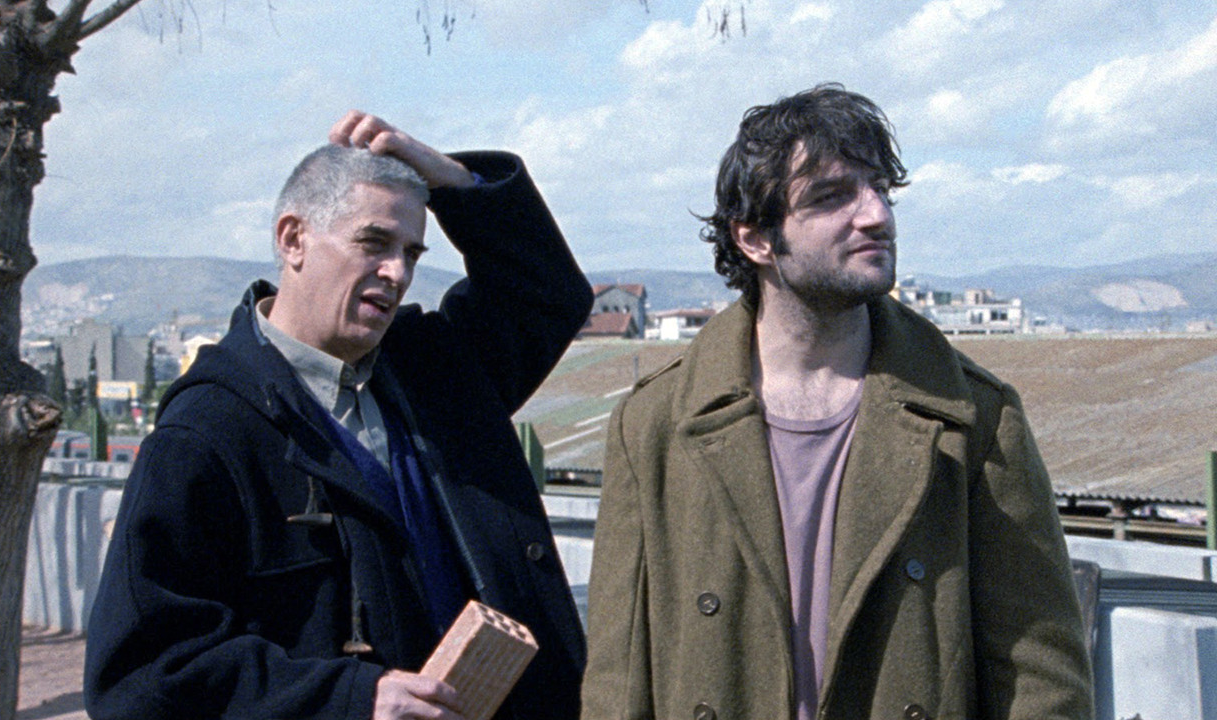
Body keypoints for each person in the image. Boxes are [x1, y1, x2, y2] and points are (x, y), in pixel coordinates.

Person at [581, 84, 1093, 720]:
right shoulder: (655, 425)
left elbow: (1040, 677)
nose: (875, 214)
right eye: (831, 197)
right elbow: (617, 677)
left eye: (879, 187)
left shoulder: (973, 416)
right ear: (755, 240)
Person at [84, 112, 590, 720]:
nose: (398, 273)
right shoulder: (208, 431)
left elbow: (544, 297)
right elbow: (141, 673)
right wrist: (351, 700)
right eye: (374, 243)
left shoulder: (433, 375)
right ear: (293, 239)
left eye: (410, 251)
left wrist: (455, 182)